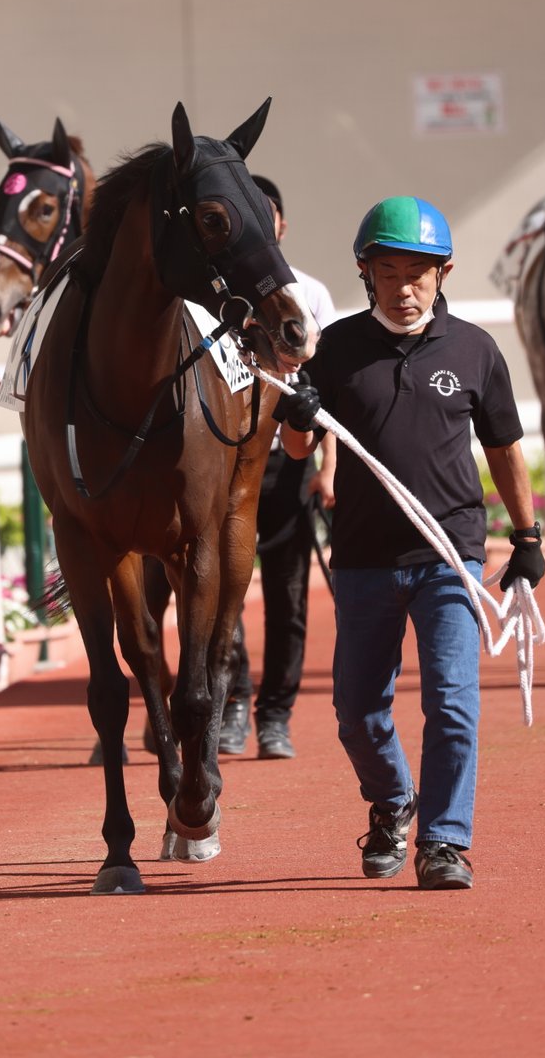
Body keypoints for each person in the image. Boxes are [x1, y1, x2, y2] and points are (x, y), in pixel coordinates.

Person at [279, 195, 545, 890]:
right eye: (389, 273)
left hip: (451, 553)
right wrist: (298, 416)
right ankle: (393, 802)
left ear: (444, 272)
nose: (404, 288)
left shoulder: (475, 351)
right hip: (365, 557)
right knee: (356, 713)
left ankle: (445, 842)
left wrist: (527, 535)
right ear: (366, 273)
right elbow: (296, 444)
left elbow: (506, 449)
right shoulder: (333, 349)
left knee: (453, 703)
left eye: (418, 274)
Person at [218, 174, 336, 760]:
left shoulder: (311, 294)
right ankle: (235, 701)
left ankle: (276, 714)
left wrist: (328, 469)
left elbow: (329, 392)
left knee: (289, 597)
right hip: (227, 465)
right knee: (226, 595)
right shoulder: (213, 301)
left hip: (291, 460)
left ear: (278, 226)